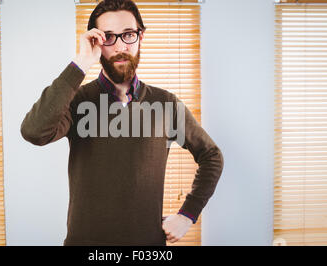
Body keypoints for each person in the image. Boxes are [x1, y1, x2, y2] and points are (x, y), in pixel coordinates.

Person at [20, 0, 224, 246]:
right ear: (96, 42)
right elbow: (34, 132)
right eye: (108, 37)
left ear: (140, 37)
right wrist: (81, 63)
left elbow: (211, 155)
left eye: (128, 35)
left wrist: (187, 215)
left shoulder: (165, 103)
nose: (120, 47)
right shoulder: (76, 100)